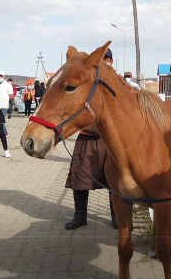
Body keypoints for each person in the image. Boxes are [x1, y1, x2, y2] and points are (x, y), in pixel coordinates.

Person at [65, 47, 118, 230]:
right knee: (79, 179)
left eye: (106, 59)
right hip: (86, 138)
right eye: (100, 59)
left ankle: (117, 217)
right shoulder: (88, 82)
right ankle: (80, 216)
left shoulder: (115, 85)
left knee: (114, 181)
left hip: (108, 140)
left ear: (111, 61)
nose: (103, 62)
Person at [0, 71, 14, 137]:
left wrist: (6, 101)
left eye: (1, 76)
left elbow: (11, 96)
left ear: (4, 77)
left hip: (4, 105)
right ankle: (5, 132)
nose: (0, 77)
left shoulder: (8, 85)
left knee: (1, 119)